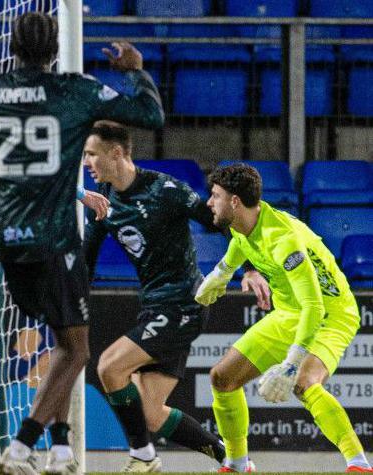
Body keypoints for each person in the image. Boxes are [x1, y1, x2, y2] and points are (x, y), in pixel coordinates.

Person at [0, 12, 164, 475]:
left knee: (60, 345)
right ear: (54, 51)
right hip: (56, 241)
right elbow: (150, 115)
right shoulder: (75, 89)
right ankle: (24, 444)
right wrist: (135, 70)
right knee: (77, 349)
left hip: (7, 241)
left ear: (11, 45)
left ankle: (62, 449)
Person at [81, 123, 270, 472]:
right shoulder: (104, 200)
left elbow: (223, 222)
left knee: (109, 366)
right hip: (154, 307)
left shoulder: (165, 190)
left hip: (184, 304)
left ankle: (143, 457)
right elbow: (86, 263)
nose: (86, 162)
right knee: (152, 414)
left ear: (117, 153)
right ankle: (233, 461)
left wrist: (251, 269)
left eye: (91, 154)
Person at [197, 163, 372, 473]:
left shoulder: (283, 239)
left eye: (215, 195)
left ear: (235, 201)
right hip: (291, 312)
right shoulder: (249, 223)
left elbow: (314, 306)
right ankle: (237, 464)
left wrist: (291, 363)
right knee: (222, 378)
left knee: (304, 383)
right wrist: (221, 273)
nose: (209, 202)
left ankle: (358, 464)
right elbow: (240, 243)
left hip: (331, 313)